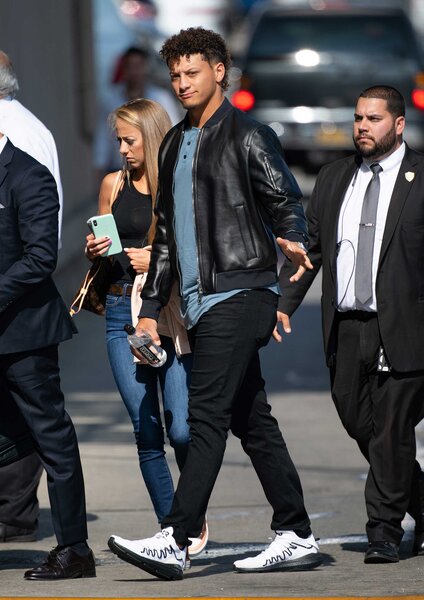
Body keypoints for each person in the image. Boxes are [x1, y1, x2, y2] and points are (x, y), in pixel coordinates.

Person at [107, 26, 322, 580]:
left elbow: (284, 198)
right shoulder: (175, 143)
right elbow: (166, 241)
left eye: (192, 72)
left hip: (243, 289)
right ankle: (296, 531)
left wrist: (292, 235)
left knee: (205, 416)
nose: (181, 83)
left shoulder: (249, 135)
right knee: (252, 420)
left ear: (220, 71)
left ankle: (176, 539)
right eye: (175, 75)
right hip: (201, 303)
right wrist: (151, 309)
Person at [277, 86, 424, 564]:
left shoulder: (420, 177)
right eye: (358, 118)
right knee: (356, 418)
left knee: (391, 429)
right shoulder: (335, 176)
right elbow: (313, 250)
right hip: (346, 325)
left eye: (374, 119)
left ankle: (383, 530)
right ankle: (419, 500)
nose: (362, 126)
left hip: (404, 324)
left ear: (398, 125)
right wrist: (283, 302)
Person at [85, 98, 208, 555]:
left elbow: (192, 250)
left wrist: (153, 260)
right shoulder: (112, 185)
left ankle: (191, 510)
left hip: (165, 314)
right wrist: (95, 249)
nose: (121, 149)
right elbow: (104, 247)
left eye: (129, 140)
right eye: (118, 140)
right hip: (121, 312)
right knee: (147, 429)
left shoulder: (176, 187)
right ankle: (172, 531)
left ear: (151, 138)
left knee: (181, 427)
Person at [0, 133, 95, 580]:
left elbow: (40, 257)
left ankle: (74, 549)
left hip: (26, 336)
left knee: (51, 437)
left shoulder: (28, 174)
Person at [0, 49, 64, 545]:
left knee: (31, 421)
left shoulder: (19, 139)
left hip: (20, 308)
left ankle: (18, 518)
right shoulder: (32, 126)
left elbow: (36, 245)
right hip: (14, 296)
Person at [93, 46, 182, 178]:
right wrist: (99, 166)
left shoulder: (161, 98)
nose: (135, 71)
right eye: (130, 66)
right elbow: (103, 137)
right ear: (123, 69)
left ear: (145, 68)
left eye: (139, 66)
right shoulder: (111, 101)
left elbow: (174, 132)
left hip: (155, 170)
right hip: (120, 170)